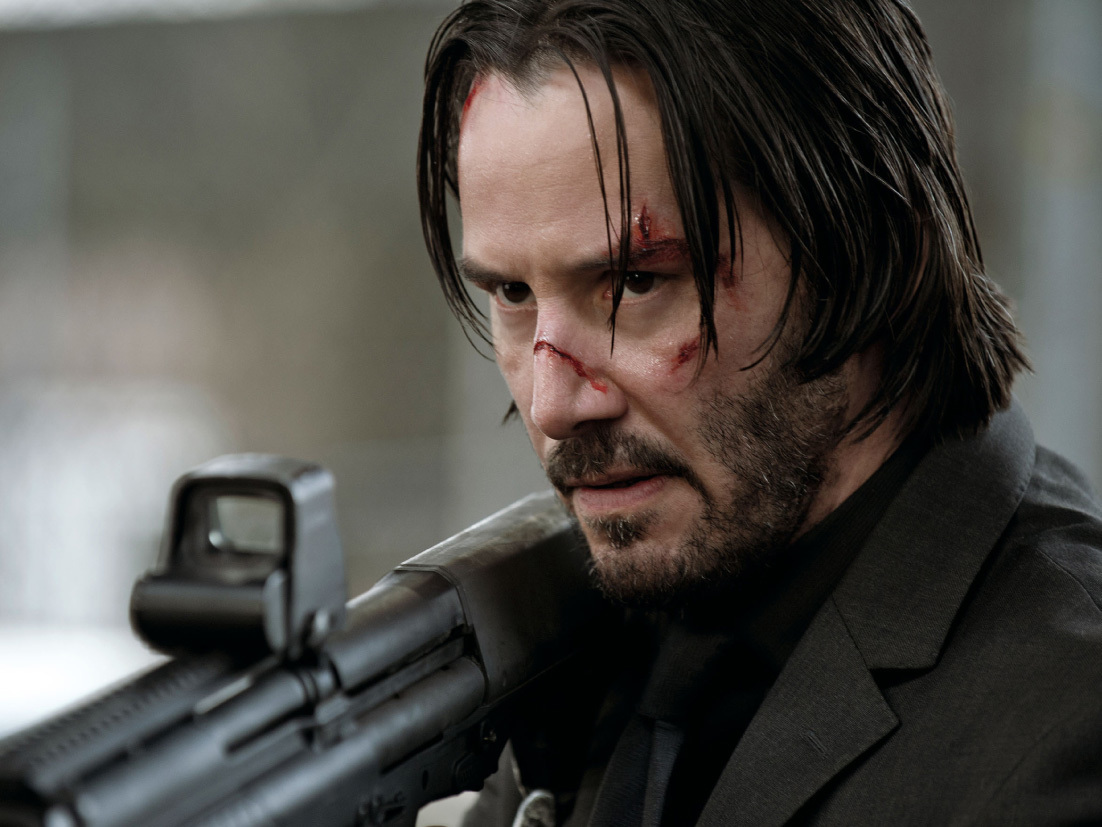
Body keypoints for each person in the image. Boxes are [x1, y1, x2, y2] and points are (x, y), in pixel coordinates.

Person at [417, 1, 1102, 824]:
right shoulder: (609, 635)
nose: (552, 403)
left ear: (875, 258)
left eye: (637, 282)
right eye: (512, 292)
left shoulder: (1066, 733)